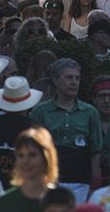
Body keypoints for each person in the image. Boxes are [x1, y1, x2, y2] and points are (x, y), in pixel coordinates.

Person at [31, 59, 103, 203]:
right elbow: (36, 147)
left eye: (77, 78)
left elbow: (96, 149)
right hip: (51, 178)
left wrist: (95, 182)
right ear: (56, 80)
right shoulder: (41, 111)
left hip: (81, 179)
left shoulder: (90, 112)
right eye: (69, 77)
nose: (74, 82)